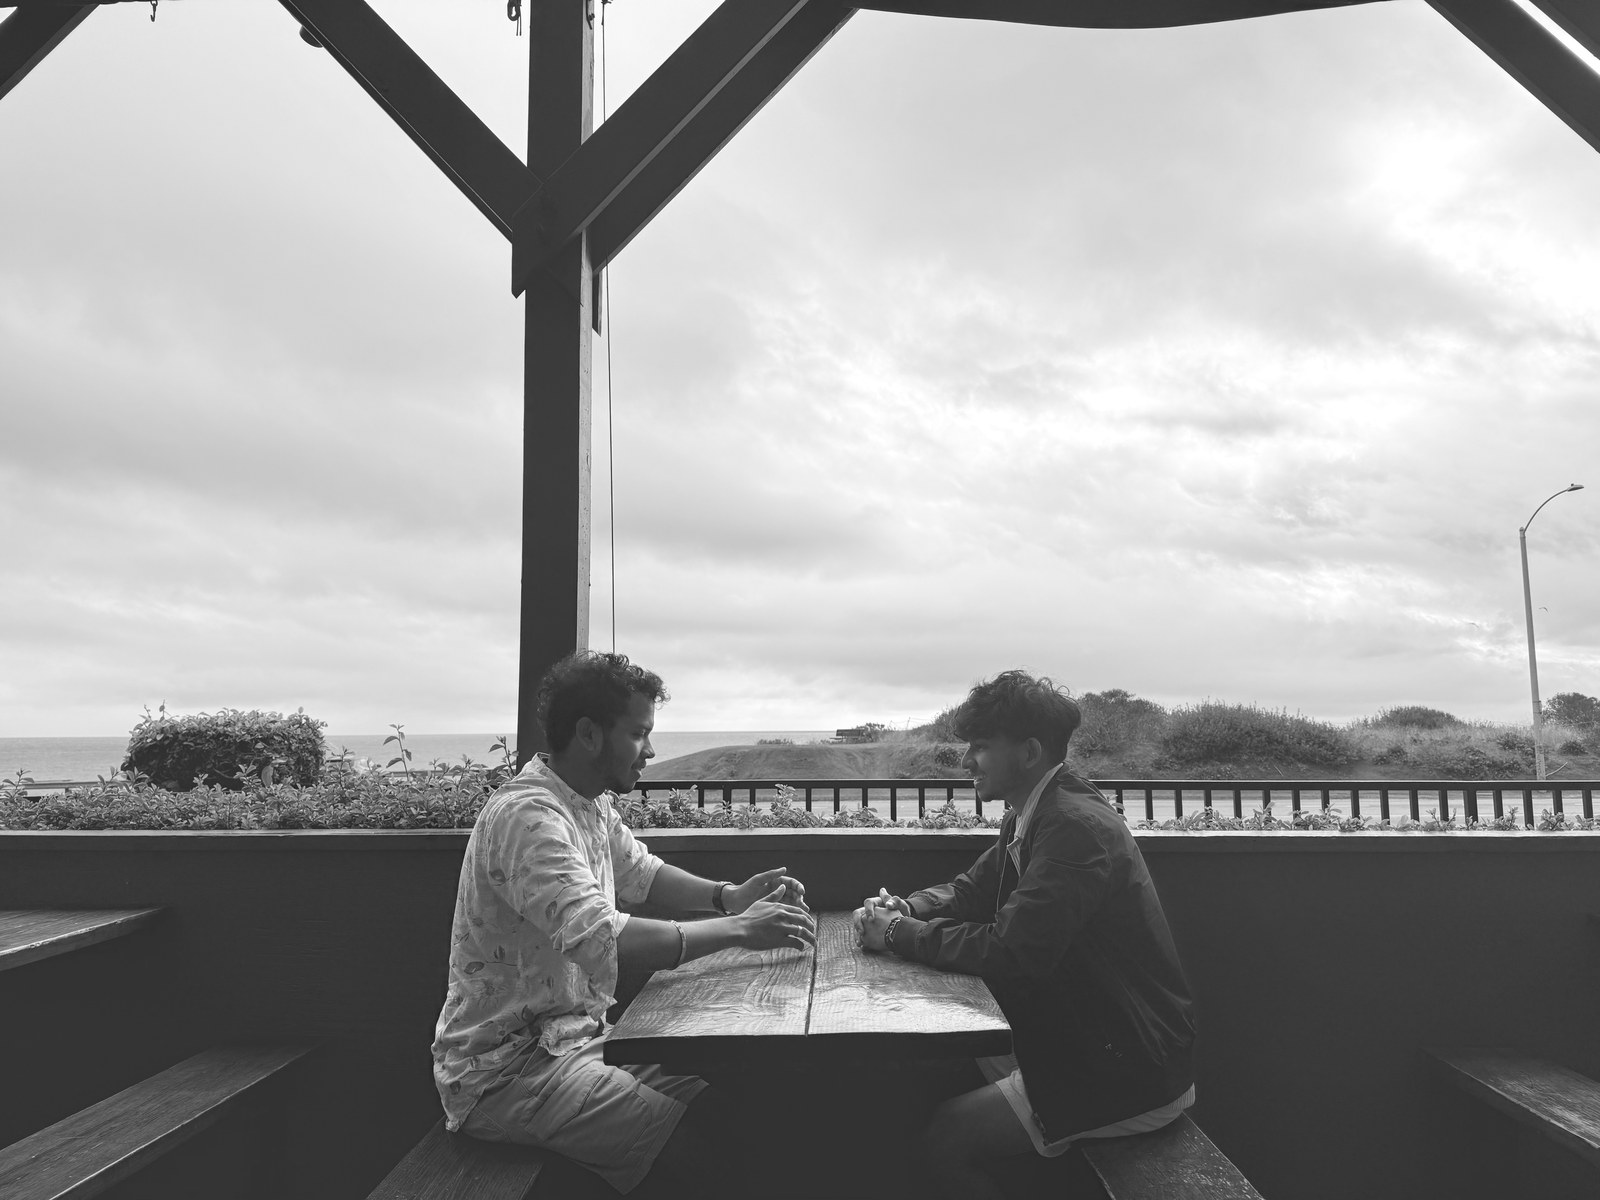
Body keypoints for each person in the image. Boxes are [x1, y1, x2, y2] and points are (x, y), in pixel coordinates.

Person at [431, 650, 815, 1196]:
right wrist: (744, 930)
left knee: (728, 1108)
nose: (651, 750)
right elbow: (605, 940)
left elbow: (643, 874)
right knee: (695, 1155)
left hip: (579, 1042)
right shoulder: (529, 817)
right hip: (506, 1072)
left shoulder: (585, 804)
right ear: (589, 734)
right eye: (639, 733)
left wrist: (729, 897)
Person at [859, 670, 1197, 1200]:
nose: (966, 761)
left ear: (1030, 751)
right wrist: (908, 906)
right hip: (1079, 1037)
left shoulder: (1073, 828)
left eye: (981, 747)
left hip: (1121, 1069)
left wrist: (899, 932)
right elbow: (970, 890)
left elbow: (1013, 952)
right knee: (921, 1072)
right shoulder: (1036, 811)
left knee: (940, 1143)